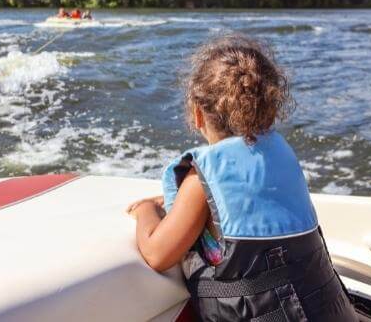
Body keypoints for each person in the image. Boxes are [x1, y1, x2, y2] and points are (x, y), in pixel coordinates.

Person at [127, 34, 356, 321]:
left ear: (198, 114)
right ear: (270, 111)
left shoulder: (199, 182)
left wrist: (145, 212)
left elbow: (157, 255)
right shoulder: (279, 157)